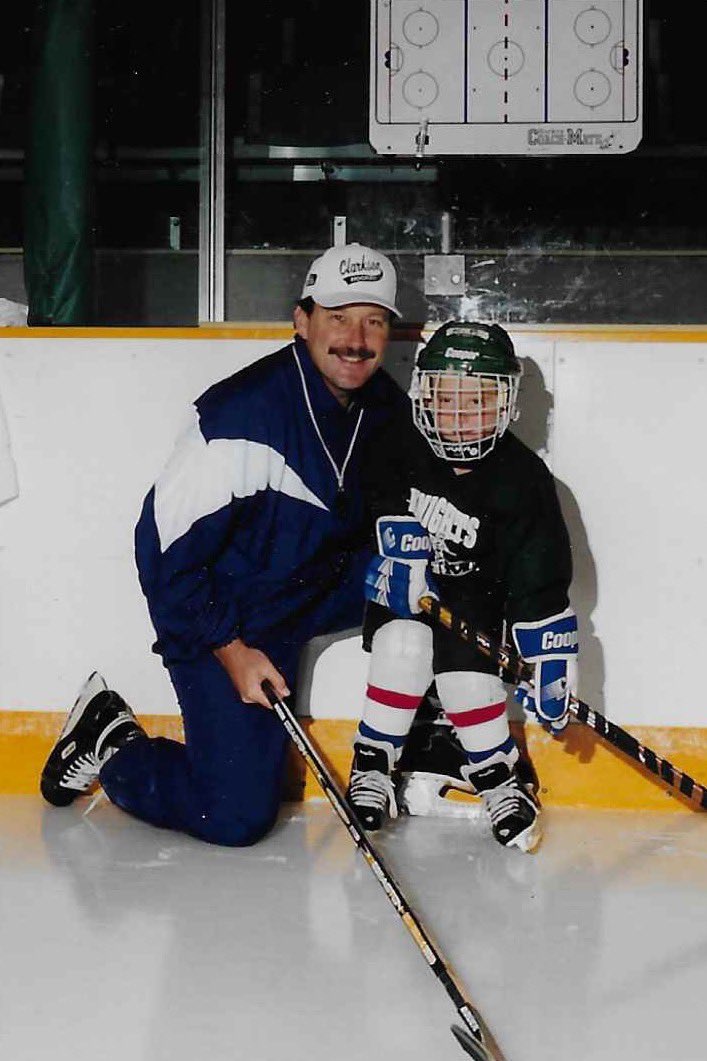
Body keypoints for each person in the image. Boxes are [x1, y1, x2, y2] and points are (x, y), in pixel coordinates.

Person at [40, 242, 406, 846]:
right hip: (220, 609)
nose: (355, 338)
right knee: (235, 816)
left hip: (304, 591)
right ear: (301, 320)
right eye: (337, 317)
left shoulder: (385, 411)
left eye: (373, 320)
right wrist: (232, 649)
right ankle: (114, 745)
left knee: (442, 577)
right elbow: (161, 551)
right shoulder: (241, 416)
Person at [345, 320, 578, 853]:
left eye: (475, 403)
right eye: (446, 400)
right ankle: (374, 762)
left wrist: (550, 661)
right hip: (406, 598)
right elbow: (360, 517)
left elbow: (538, 579)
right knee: (403, 646)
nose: (458, 418)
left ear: (506, 404)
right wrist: (385, 556)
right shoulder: (394, 446)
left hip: (474, 605)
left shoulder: (524, 479)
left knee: (468, 676)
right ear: (423, 395)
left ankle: (497, 774)